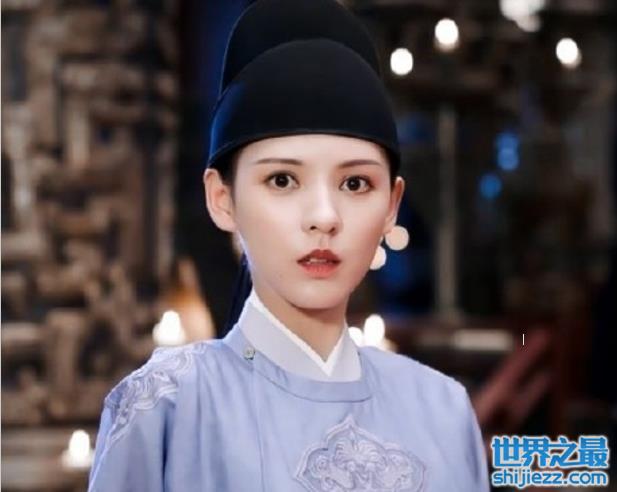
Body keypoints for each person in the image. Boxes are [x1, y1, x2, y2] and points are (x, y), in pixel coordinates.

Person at [87, 0, 490, 490]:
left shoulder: (442, 410)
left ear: (391, 205)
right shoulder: (166, 406)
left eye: (355, 184)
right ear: (222, 199)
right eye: (282, 180)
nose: (324, 217)